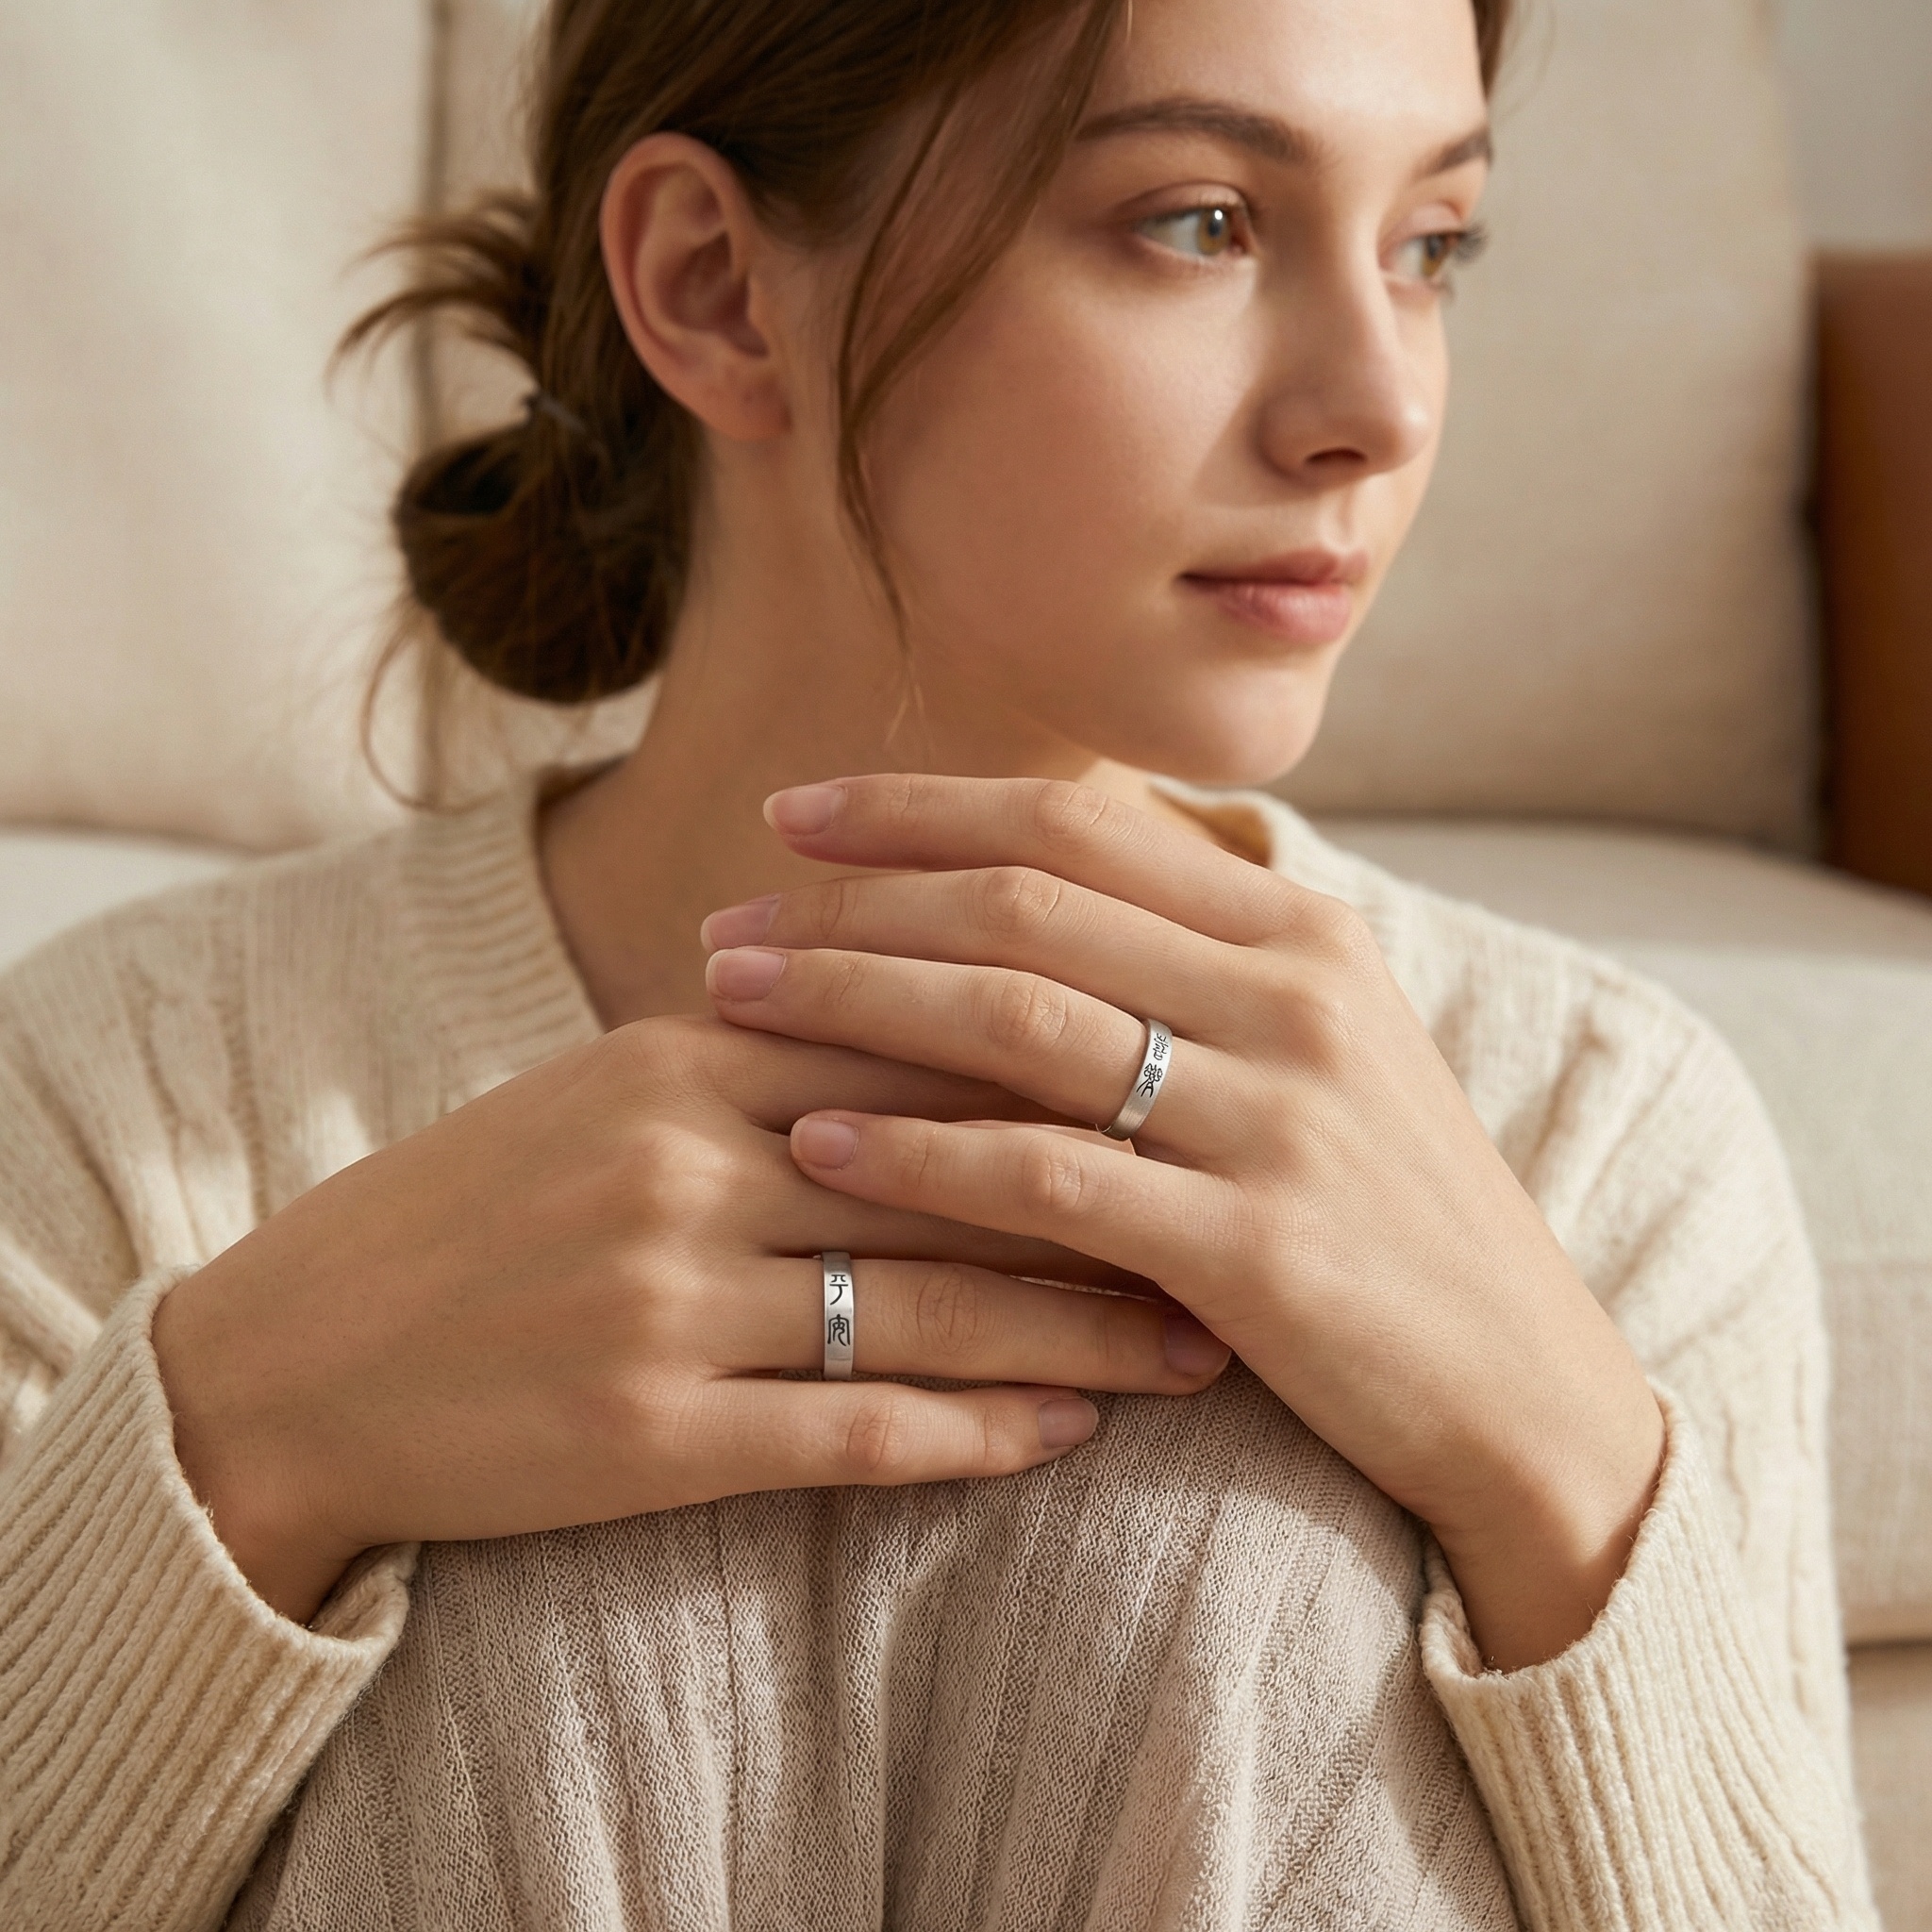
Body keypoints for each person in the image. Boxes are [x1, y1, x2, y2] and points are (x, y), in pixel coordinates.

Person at [0, 0, 1877, 1924]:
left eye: (1430, 246)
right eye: (1202, 221)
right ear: (717, 286)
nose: (1378, 405)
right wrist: (251, 1429)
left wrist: (1554, 1455)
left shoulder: (1588, 1130)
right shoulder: (125, 1097)